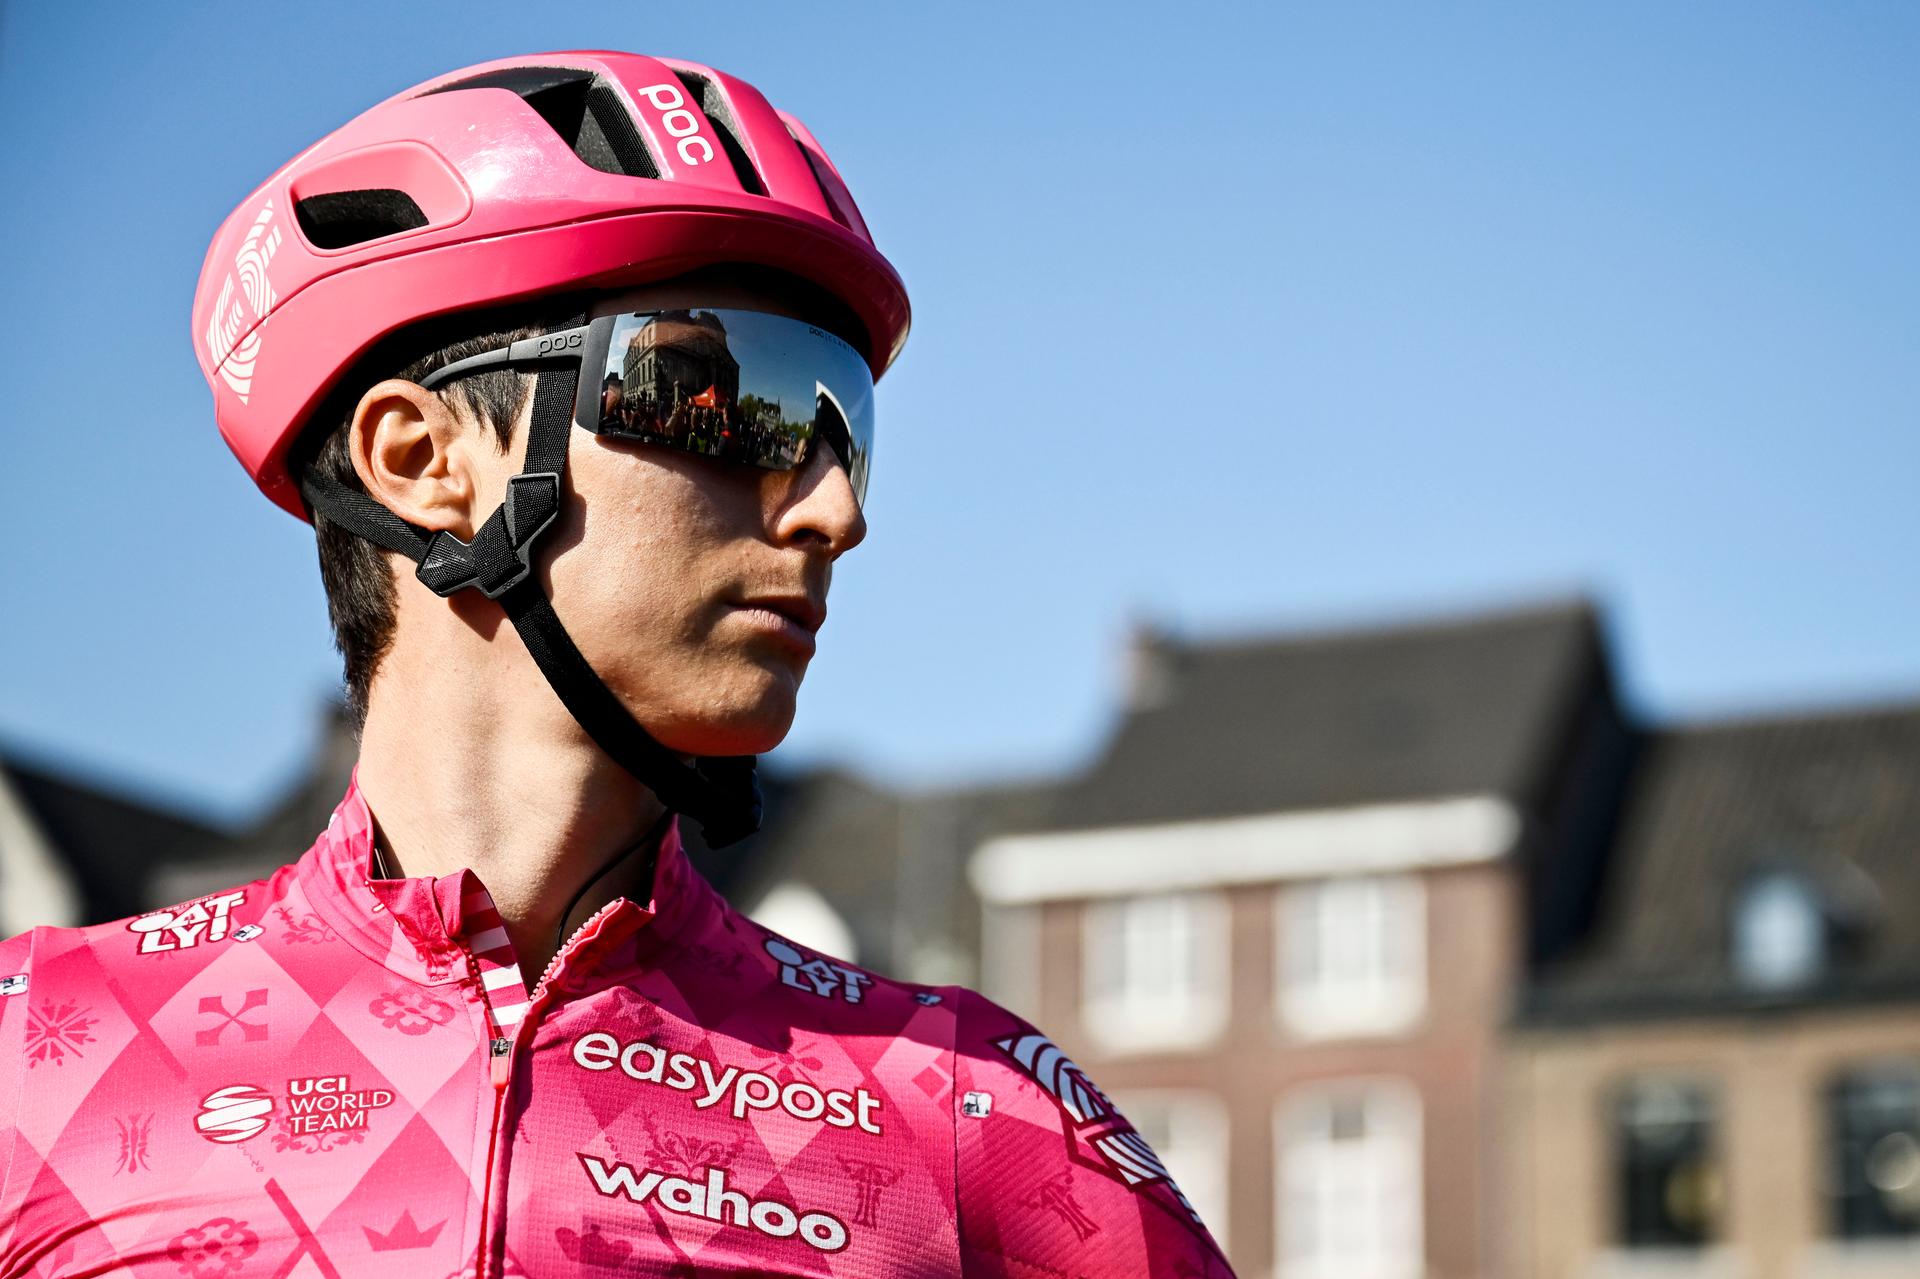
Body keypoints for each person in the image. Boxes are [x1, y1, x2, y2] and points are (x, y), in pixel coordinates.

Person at [0, 52, 1234, 1278]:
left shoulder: (974, 1111)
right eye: (722, 396)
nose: (833, 508)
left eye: (841, 420)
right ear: (422, 460)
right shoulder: (32, 1058)